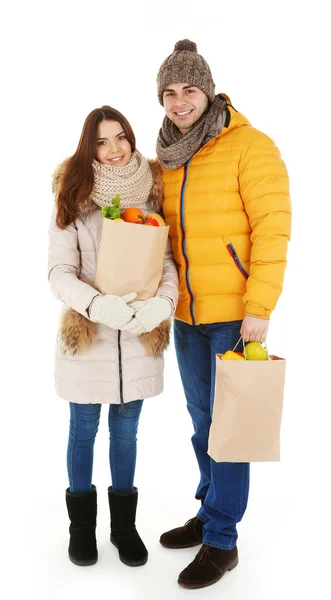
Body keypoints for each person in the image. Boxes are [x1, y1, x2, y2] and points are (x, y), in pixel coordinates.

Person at [155, 40, 291, 589]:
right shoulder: (167, 155)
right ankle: (210, 509)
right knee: (203, 423)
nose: (179, 101)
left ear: (208, 92)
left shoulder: (250, 146)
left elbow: (273, 229)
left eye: (189, 89)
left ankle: (222, 541)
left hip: (236, 317)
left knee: (229, 431)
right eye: (169, 92)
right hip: (186, 316)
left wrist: (258, 308)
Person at [48, 105, 178, 568]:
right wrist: (96, 304)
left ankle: (124, 528)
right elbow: (59, 272)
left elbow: (165, 262)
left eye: (121, 137)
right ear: (90, 148)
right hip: (89, 339)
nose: (116, 148)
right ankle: (81, 528)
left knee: (126, 435)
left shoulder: (151, 193)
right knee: (84, 432)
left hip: (140, 338)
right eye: (102, 141)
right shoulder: (73, 197)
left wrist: (164, 303)